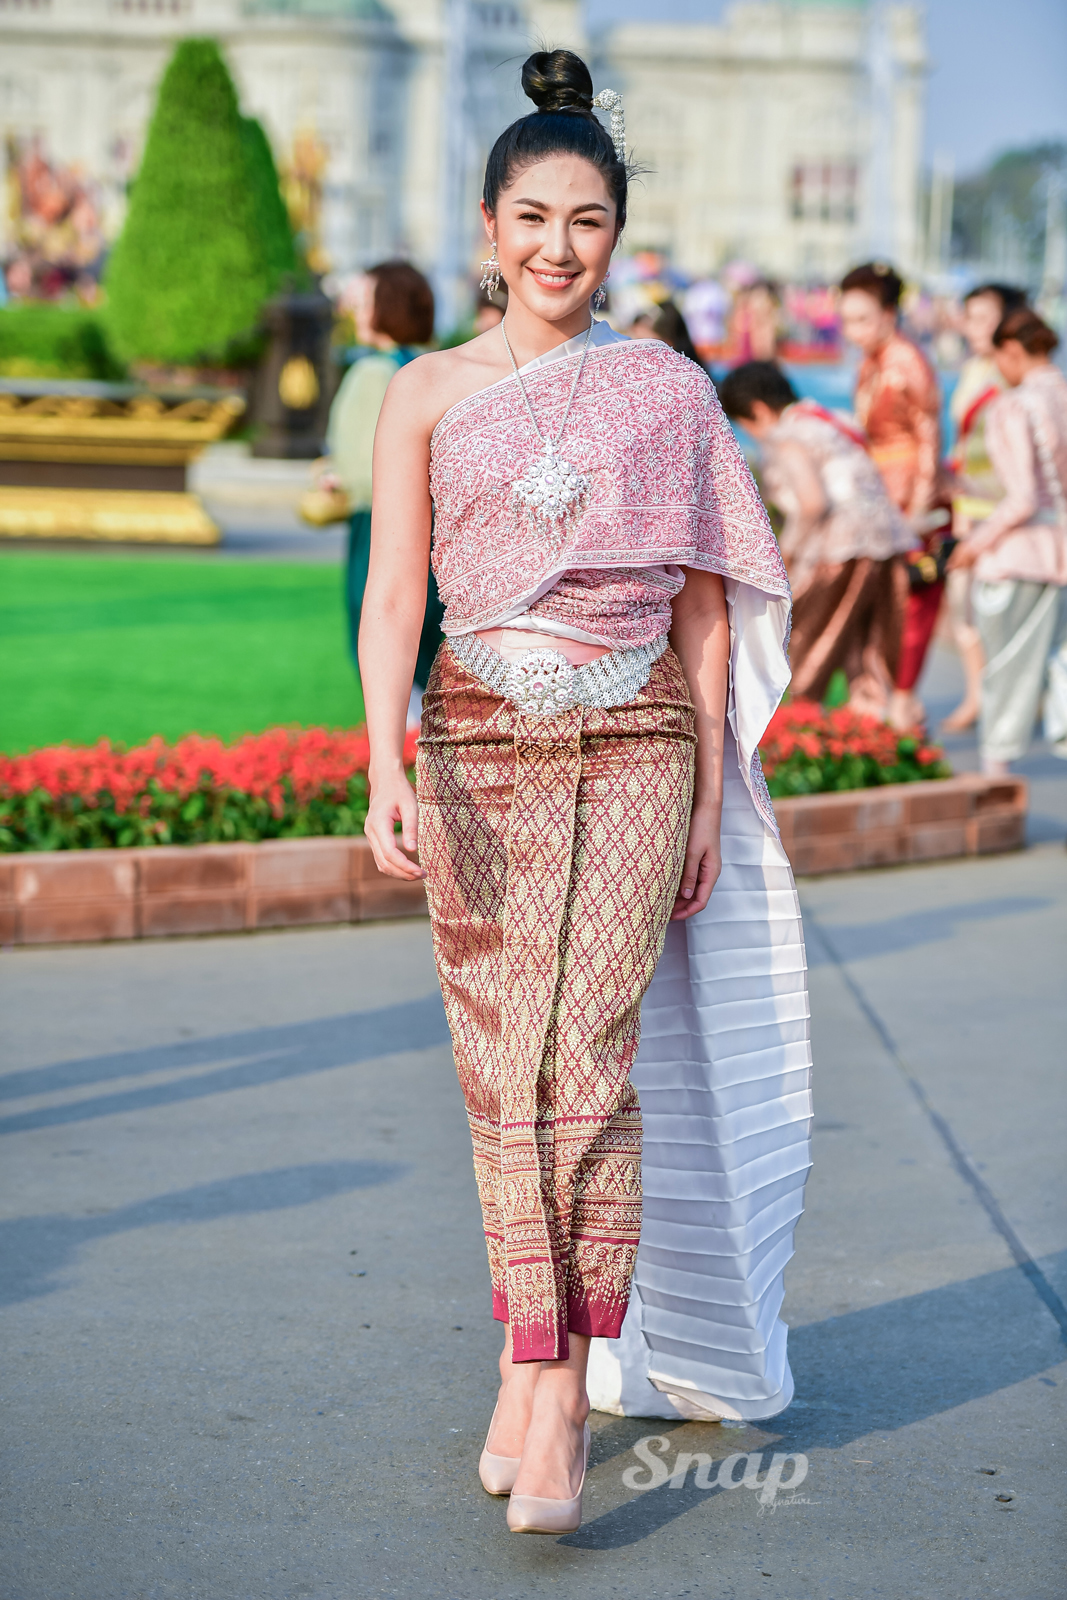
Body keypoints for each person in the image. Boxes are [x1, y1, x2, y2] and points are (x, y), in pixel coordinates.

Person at [358, 49, 811, 1536]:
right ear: (488, 228)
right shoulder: (423, 392)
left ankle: (555, 1388)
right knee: (500, 1066)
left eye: (588, 221)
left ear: (617, 236)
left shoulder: (666, 389)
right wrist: (379, 760)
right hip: (472, 740)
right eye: (533, 218)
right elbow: (397, 594)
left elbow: (704, 601)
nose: (559, 247)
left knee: (586, 1057)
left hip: (633, 740)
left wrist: (706, 797)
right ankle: (524, 1344)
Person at [720, 360, 913, 718]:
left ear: (758, 411)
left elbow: (812, 504)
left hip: (842, 548)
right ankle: (879, 726)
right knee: (865, 646)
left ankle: (797, 726)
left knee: (808, 642)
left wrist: (786, 554)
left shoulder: (789, 437)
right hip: (887, 542)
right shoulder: (832, 419)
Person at [948, 308, 1067, 774]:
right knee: (1059, 662)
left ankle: (995, 774)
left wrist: (974, 544)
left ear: (1012, 350)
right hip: (1059, 548)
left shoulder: (1013, 406)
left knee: (1005, 669)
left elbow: (1022, 498)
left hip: (1019, 554)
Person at [327, 261, 442, 724]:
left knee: (380, 630)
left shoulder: (371, 371)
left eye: (366, 302)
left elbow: (358, 464)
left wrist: (331, 478)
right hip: (437, 526)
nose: (357, 312)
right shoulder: (439, 367)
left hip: (379, 523)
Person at [840, 261, 948, 728]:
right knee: (881, 604)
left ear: (889, 314)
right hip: (880, 495)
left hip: (909, 498)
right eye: (847, 321)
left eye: (862, 320)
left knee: (908, 604)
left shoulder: (906, 360)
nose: (852, 331)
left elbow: (930, 439)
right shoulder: (872, 360)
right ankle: (881, 705)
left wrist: (920, 509)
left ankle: (902, 706)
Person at [942, 283, 1029, 731]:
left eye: (982, 318)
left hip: (1006, 510)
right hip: (968, 504)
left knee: (1002, 611)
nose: (971, 326)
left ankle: (1006, 700)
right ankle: (979, 695)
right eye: (969, 316)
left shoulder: (1014, 375)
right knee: (963, 606)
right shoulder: (975, 369)